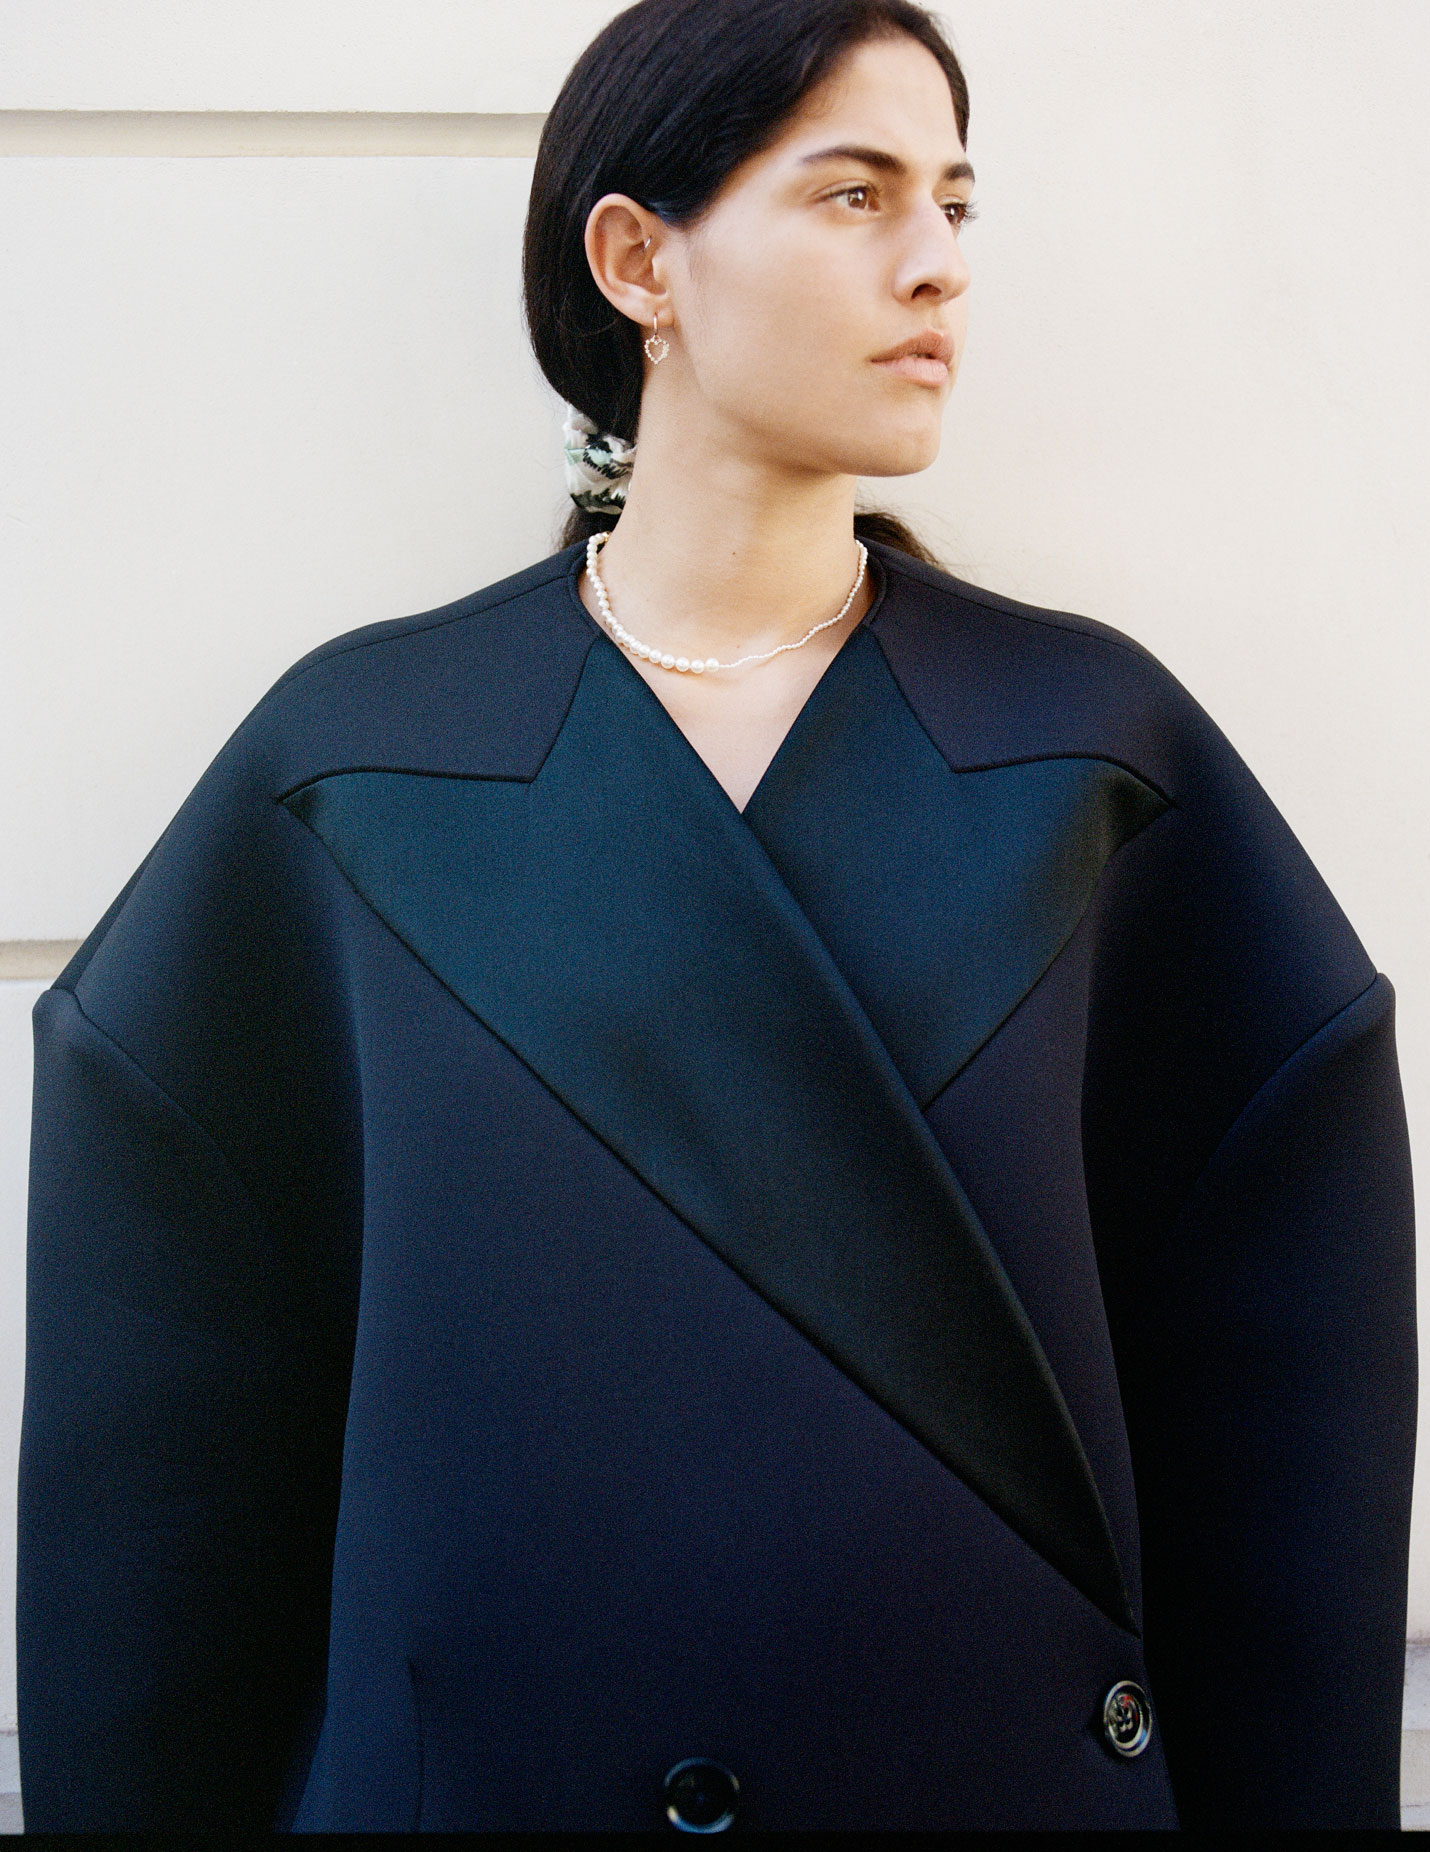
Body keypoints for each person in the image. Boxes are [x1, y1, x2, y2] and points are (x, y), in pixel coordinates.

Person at [17, 0, 1416, 1832]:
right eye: (853, 194)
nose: (937, 263)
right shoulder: (359, 773)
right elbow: (157, 1490)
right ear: (638, 262)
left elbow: (1289, 1454)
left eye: (954, 203)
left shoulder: (1093, 762)